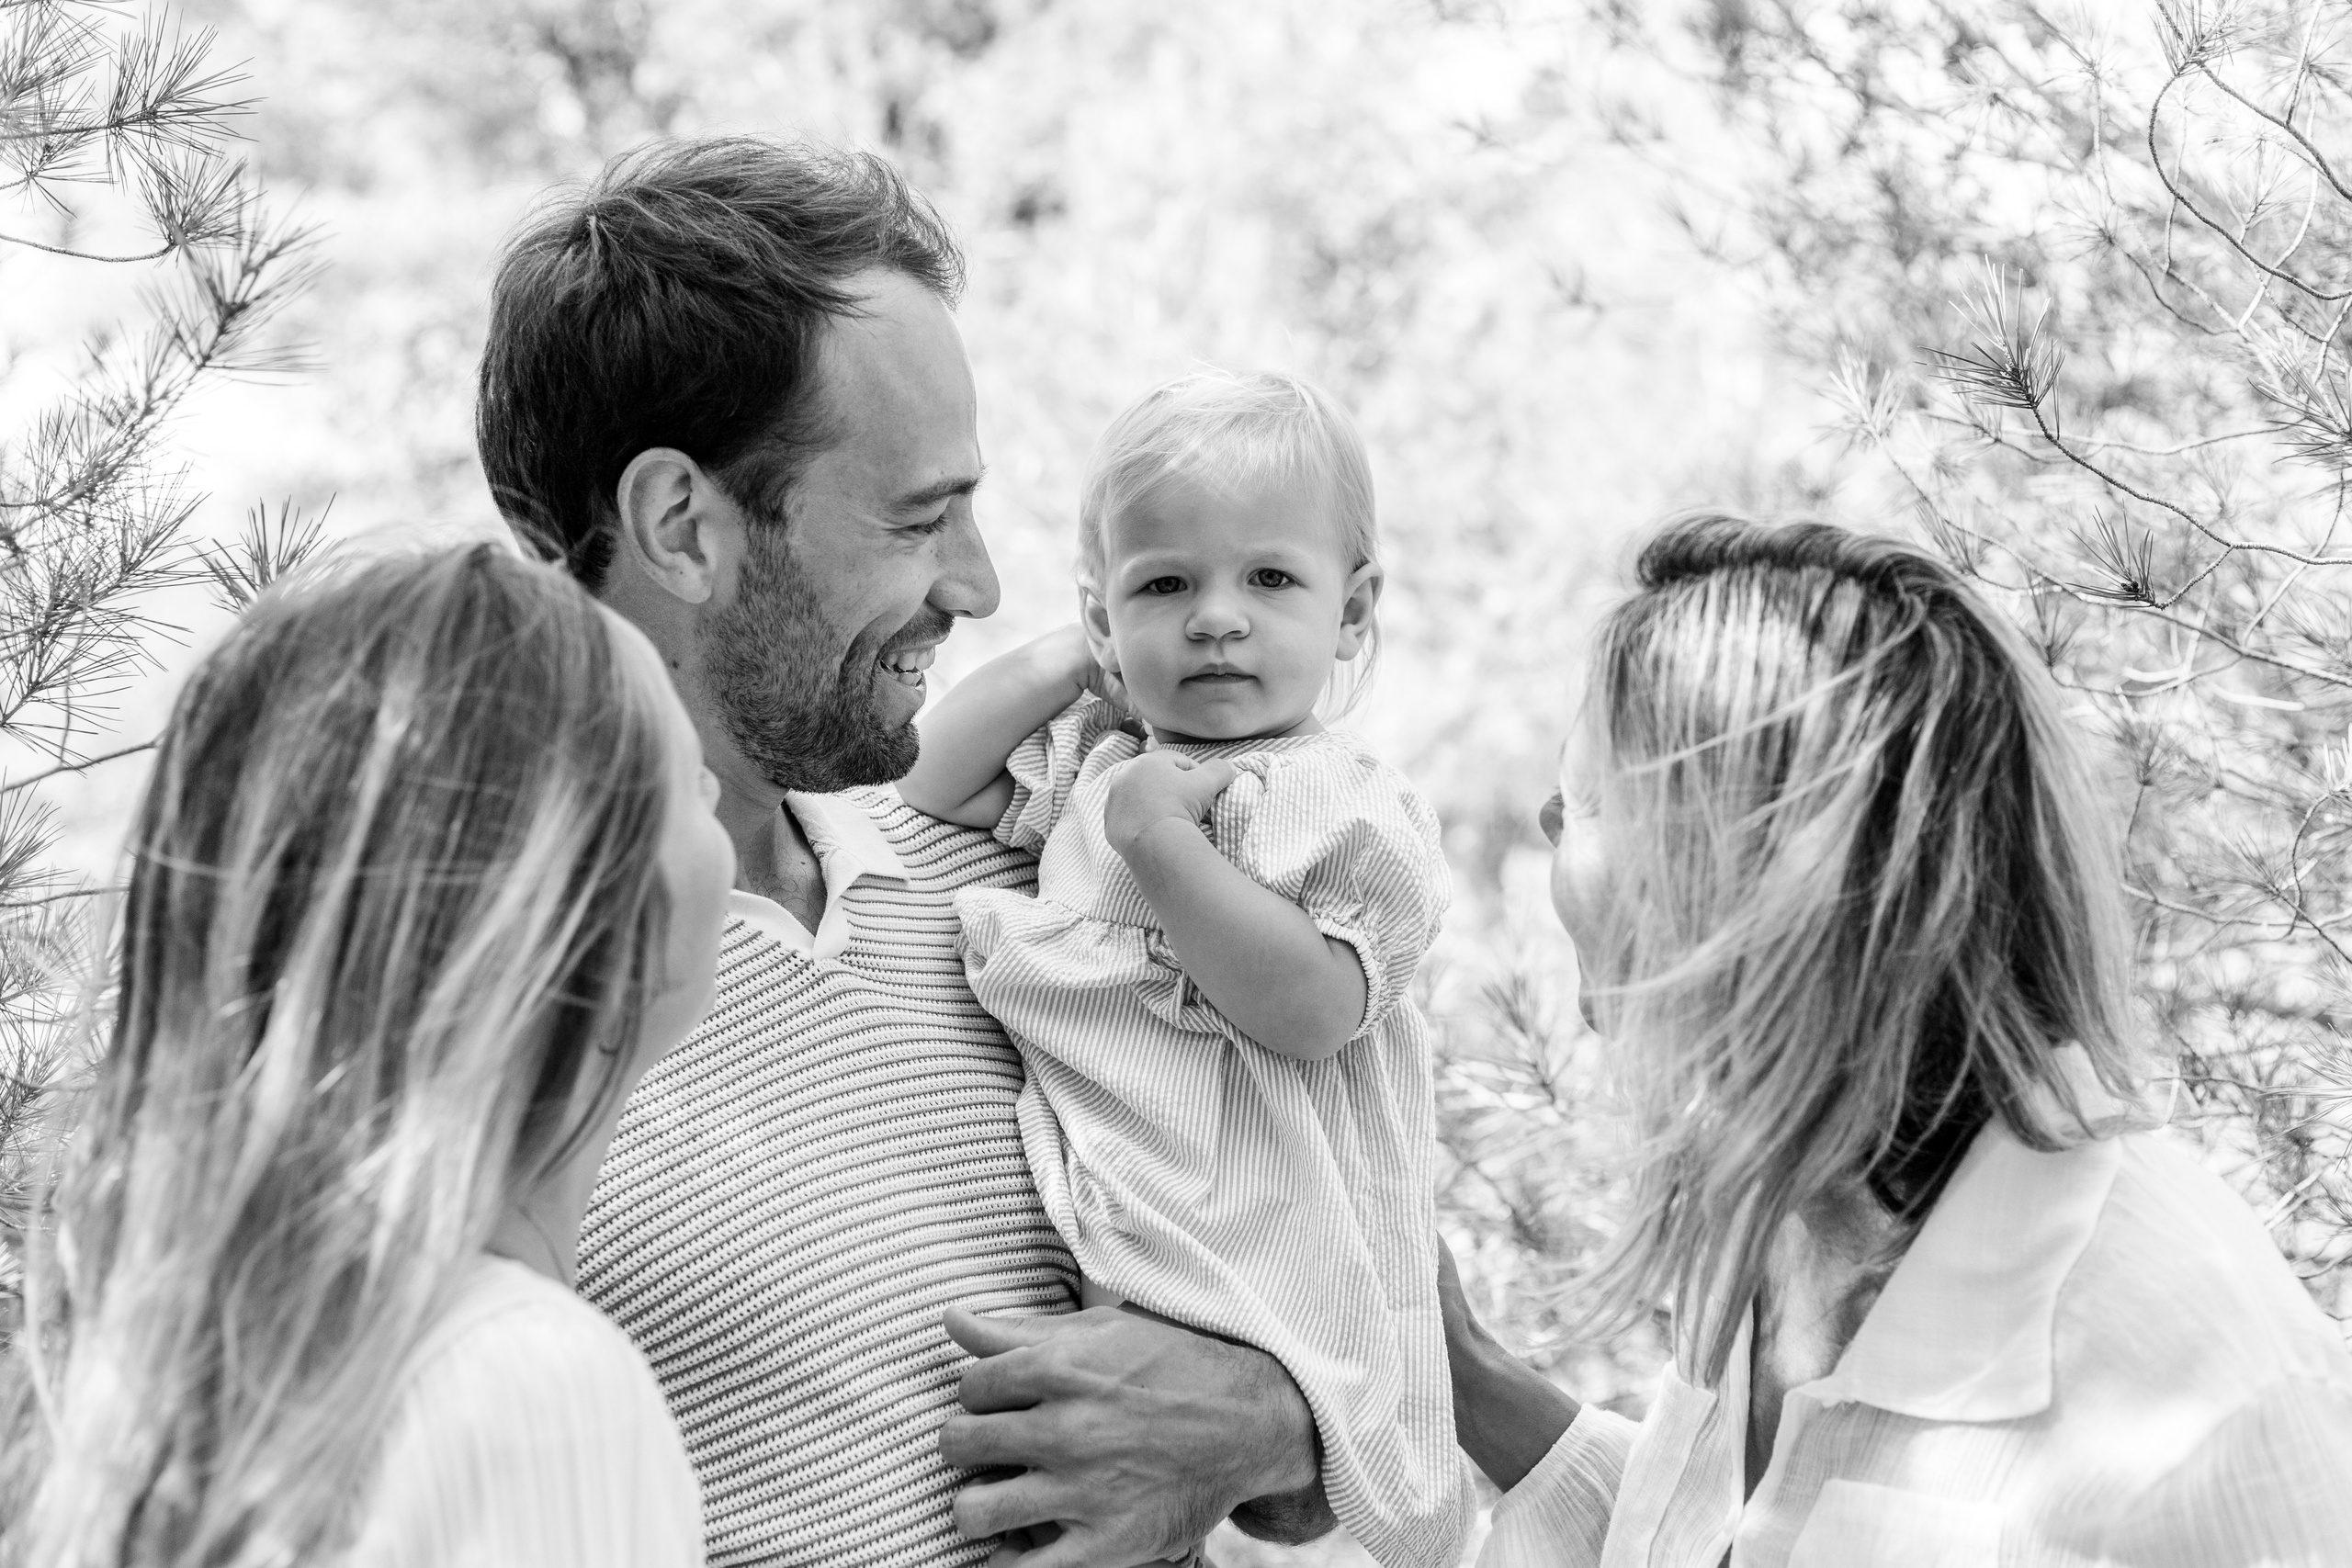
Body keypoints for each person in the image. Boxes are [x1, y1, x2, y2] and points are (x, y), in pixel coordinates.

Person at [475, 137, 1331, 1568]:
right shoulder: (460, 1013)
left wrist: (1263, 1420)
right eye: (921, 516)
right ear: (681, 525)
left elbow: (1372, 1286)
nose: (978, 583)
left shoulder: (1039, 883)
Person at [1445, 515, 2352, 1566]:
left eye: (1592, 801)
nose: (1549, 828)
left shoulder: (2212, 1406)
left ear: (1754, 885)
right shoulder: (1774, 1209)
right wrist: (1463, 1375)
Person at [0, 547, 733, 1566]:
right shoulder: (529, 1388)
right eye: (685, 780)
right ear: (594, 930)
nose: (716, 788)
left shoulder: (137, 1388)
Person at [900, 369, 1468, 1568]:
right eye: (1163, 585)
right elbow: (927, 777)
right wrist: (1074, 660)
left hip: (1256, 1228)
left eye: (1269, 579)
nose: (1215, 618)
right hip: (1117, 1220)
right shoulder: (1101, 764)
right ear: (1106, 612)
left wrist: (1162, 844)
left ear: (1353, 609)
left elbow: (1312, 1007)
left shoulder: (1340, 802)